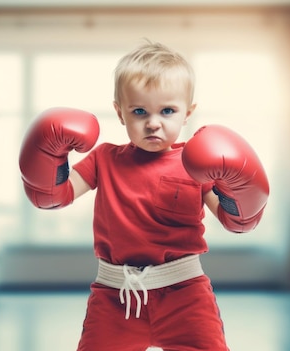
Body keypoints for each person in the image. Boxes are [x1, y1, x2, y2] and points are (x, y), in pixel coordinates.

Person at [19, 41, 269, 351]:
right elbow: (55, 196)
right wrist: (49, 157)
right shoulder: (104, 159)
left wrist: (239, 190)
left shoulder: (195, 163)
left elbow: (235, 220)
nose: (153, 123)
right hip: (115, 296)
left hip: (184, 294)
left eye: (167, 110)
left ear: (187, 113)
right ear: (120, 113)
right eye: (139, 111)